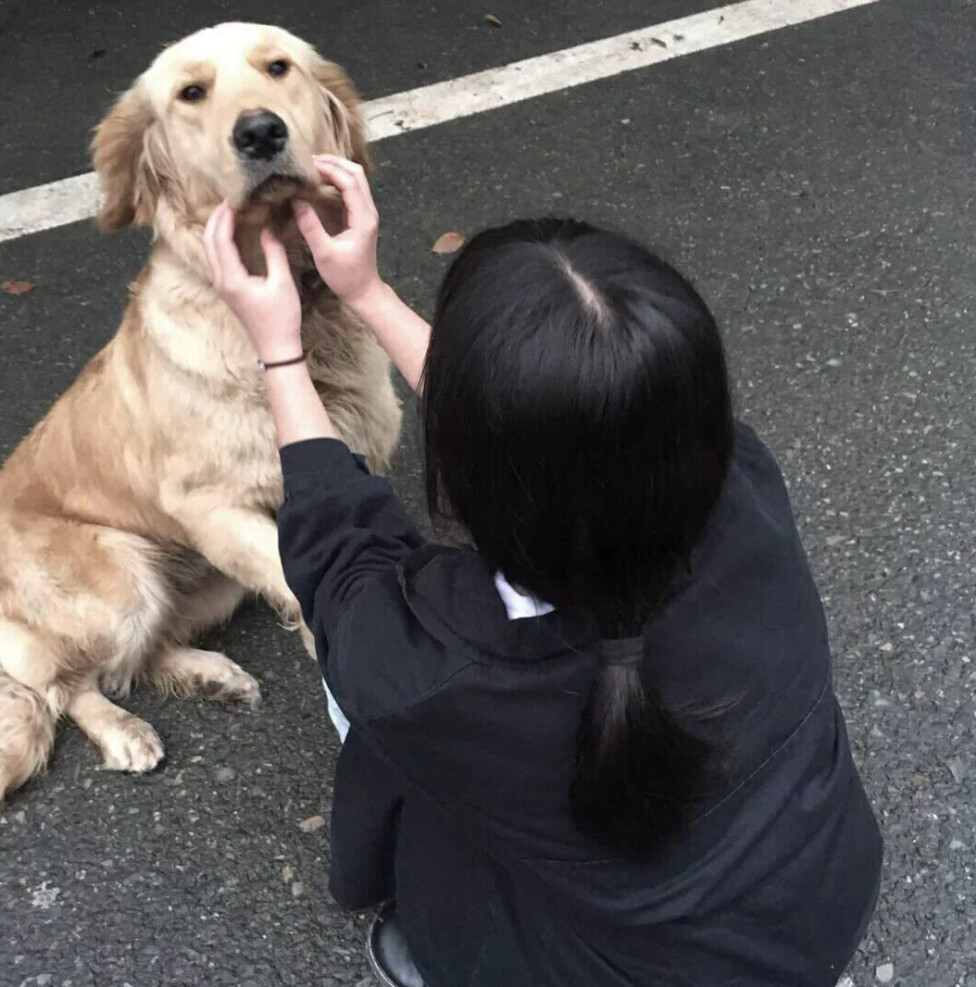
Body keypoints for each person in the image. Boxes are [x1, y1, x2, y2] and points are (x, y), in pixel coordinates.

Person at [202, 155, 882, 987]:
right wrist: (368, 294)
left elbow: (338, 554)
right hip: (821, 896)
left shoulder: (435, 670)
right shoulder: (745, 486)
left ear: (470, 471)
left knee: (398, 764)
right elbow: (569, 428)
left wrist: (279, 350)